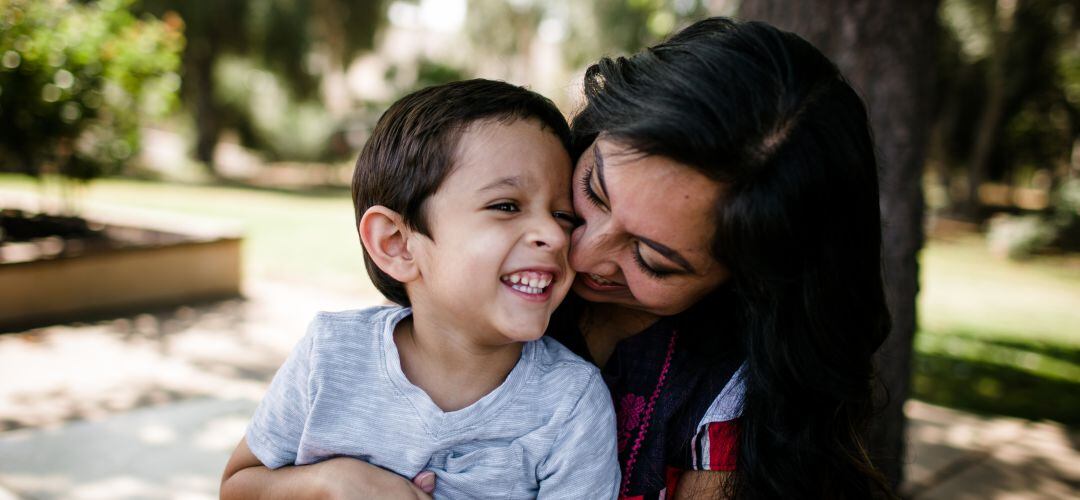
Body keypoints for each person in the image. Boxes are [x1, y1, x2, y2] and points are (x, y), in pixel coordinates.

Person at [222, 16, 893, 499]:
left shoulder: (717, 403)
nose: (579, 246)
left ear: (746, 280)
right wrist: (327, 483)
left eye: (654, 260)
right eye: (592, 193)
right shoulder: (438, 308)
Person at [219, 79, 620, 499]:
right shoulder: (332, 356)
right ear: (397, 244)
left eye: (562, 215)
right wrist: (330, 483)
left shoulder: (570, 404)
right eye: (506, 206)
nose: (554, 236)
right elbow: (238, 487)